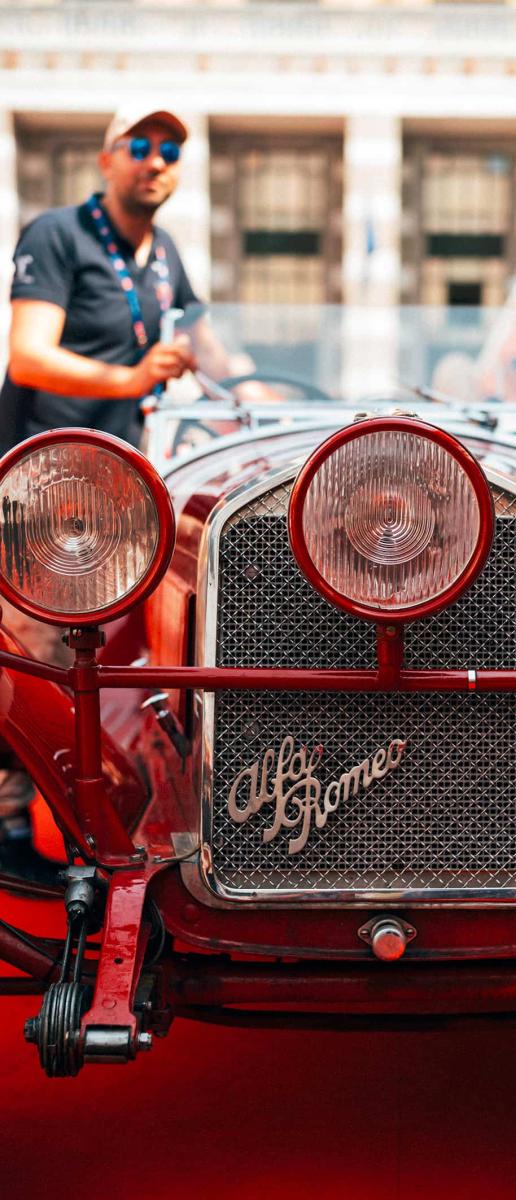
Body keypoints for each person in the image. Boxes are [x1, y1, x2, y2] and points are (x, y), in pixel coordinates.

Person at [0, 103, 200, 885]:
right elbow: (30, 356)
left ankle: (101, 812)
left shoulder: (163, 254)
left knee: (100, 658)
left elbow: (209, 343)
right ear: (106, 158)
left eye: (172, 149)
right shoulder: (56, 234)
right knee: (35, 655)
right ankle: (12, 832)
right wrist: (129, 377)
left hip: (116, 493)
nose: (156, 160)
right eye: (141, 145)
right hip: (44, 484)